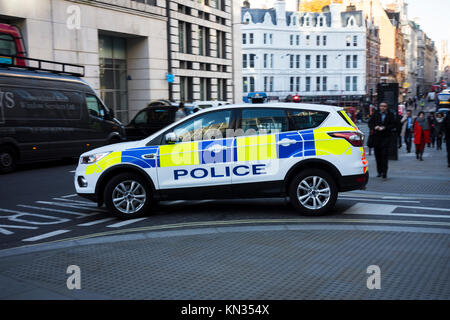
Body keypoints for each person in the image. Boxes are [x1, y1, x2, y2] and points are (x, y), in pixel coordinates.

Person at [368, 102, 396, 179]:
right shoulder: (375, 114)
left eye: (384, 106)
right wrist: (375, 127)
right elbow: (370, 123)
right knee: (378, 156)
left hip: (386, 137)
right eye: (381, 106)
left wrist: (385, 128)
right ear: (379, 107)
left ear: (387, 107)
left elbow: (393, 125)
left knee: (384, 155)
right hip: (376, 138)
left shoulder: (390, 114)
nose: (383, 107)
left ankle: (384, 172)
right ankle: (379, 172)